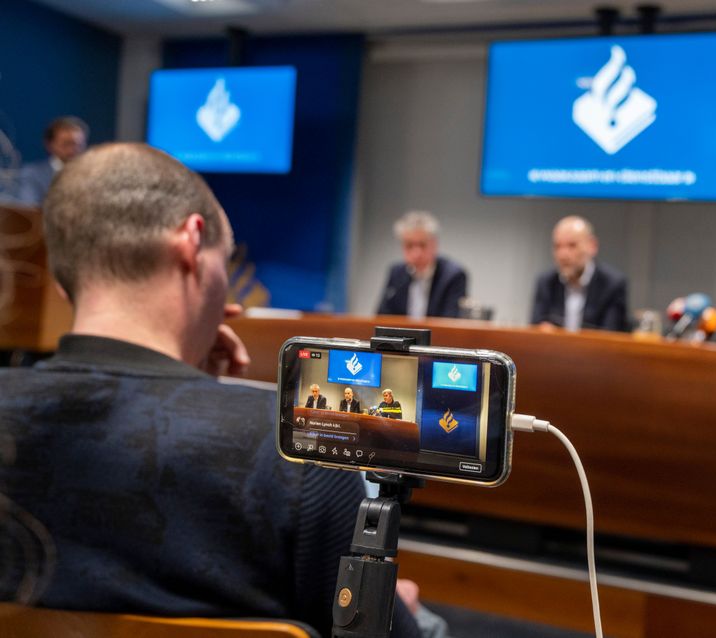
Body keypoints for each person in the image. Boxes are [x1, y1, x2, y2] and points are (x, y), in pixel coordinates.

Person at [0, 143, 422, 638]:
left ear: (63, 283)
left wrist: (194, 375)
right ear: (192, 240)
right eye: (225, 258)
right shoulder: (297, 453)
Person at [531, 215, 629, 332]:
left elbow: (610, 336)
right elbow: (534, 330)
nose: (563, 255)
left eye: (572, 245)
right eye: (557, 246)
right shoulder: (546, 282)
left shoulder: (612, 284)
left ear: (592, 246)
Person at [377, 210, 468, 319]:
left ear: (434, 244)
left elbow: (450, 321)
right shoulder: (396, 272)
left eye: (422, 245)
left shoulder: (453, 275)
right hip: (401, 336)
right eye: (409, 245)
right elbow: (382, 317)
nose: (416, 253)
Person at [16, 116, 88, 205]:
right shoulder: (32, 174)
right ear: (50, 145)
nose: (72, 150)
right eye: (66, 144)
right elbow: (29, 209)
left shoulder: (92, 175)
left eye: (78, 145)